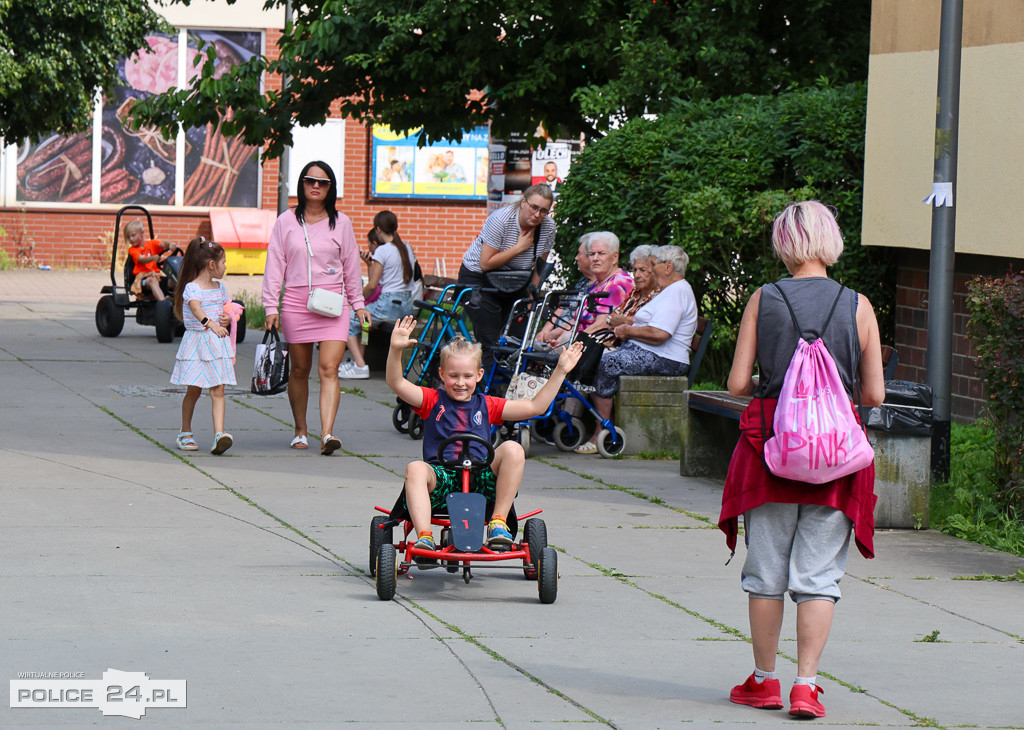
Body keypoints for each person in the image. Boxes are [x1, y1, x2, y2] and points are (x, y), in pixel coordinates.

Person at [719, 201, 885, 719]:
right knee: (818, 577)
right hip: (836, 457)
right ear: (830, 240)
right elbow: (874, 394)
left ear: (784, 244)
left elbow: (737, 384)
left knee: (766, 571)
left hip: (770, 449)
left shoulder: (763, 298)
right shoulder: (857, 304)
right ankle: (806, 686)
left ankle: (764, 681)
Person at [385, 315, 582, 552]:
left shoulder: (487, 404)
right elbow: (396, 382)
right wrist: (395, 349)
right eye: (453, 376)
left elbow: (535, 407)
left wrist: (560, 371)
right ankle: (424, 537)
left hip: (480, 477)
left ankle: (498, 523)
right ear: (442, 375)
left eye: (467, 376)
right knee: (415, 468)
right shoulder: (431, 400)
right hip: (442, 477)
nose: (460, 383)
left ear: (478, 375)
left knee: (513, 448)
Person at [262, 160, 370, 454]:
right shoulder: (286, 221)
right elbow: (275, 265)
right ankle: (300, 431)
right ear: (302, 184)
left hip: (333, 304)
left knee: (329, 368)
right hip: (296, 303)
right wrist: (270, 305)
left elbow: (350, 266)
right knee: (299, 369)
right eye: (310, 180)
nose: (316, 186)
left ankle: (327, 434)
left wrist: (358, 304)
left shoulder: (341, 222)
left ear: (330, 188)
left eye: (322, 182)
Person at [575, 244, 696, 454]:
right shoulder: (671, 290)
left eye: (654, 264)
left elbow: (660, 334)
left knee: (605, 363)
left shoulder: (676, 292)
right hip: (653, 353)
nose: (651, 268)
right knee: (594, 357)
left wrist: (627, 330)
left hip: (665, 358)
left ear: (668, 267)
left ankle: (601, 431)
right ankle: (601, 425)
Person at [457, 184, 557, 371]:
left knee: (517, 336)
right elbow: (485, 263)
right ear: (523, 202)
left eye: (544, 211)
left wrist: (531, 295)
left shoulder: (548, 227)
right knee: (490, 337)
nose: (537, 215)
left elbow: (540, 266)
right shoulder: (501, 220)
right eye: (534, 207)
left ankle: (510, 385)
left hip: (515, 280)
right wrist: (519, 248)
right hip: (479, 277)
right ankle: (488, 391)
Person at [170, 237, 236, 455]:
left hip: (216, 346)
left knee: (218, 389)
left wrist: (226, 319)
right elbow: (197, 309)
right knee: (194, 390)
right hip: (197, 345)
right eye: (223, 262)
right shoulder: (192, 288)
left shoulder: (220, 287)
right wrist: (211, 324)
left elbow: (226, 309)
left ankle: (219, 435)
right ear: (211, 265)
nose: (226, 267)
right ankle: (185, 432)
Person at [340, 210, 420, 379]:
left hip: (388, 304)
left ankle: (360, 366)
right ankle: (358, 362)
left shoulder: (382, 251)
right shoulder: (406, 248)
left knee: (347, 319)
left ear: (378, 229)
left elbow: (372, 285)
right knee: (363, 324)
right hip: (406, 305)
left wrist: (354, 301)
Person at [582, 244, 662, 342]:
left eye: (642, 270)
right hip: (612, 342)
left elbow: (652, 327)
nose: (637, 275)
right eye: (635, 270)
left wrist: (624, 321)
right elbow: (610, 318)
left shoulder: (660, 296)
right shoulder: (635, 292)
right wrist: (625, 321)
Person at [125, 220, 166, 301]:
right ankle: (164, 304)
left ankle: (180, 306)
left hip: (156, 275)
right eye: (128, 237)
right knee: (152, 281)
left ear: (142, 233)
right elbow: (141, 259)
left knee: (173, 281)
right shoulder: (133, 250)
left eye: (133, 235)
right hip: (141, 279)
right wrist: (152, 258)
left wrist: (171, 245)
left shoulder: (152, 243)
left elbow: (163, 244)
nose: (131, 239)